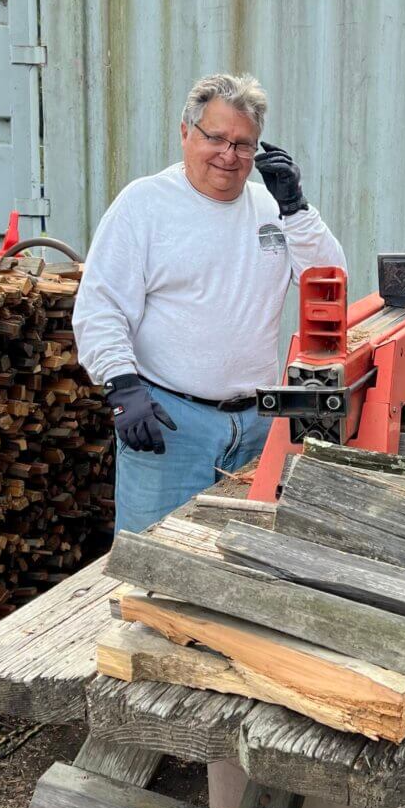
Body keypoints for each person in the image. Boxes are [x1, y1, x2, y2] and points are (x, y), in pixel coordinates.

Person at [73, 73, 345, 534]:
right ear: (186, 132)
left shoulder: (272, 208)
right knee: (154, 560)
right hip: (169, 425)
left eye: (243, 144)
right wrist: (121, 385)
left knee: (243, 559)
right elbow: (102, 306)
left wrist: (297, 207)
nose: (229, 155)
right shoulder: (145, 204)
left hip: (260, 422)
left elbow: (328, 282)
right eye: (216, 138)